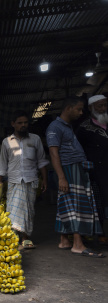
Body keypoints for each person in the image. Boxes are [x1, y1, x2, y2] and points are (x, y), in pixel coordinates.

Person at [45, 96, 104, 258]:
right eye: (78, 109)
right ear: (68, 108)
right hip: (68, 169)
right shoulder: (55, 127)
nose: (81, 112)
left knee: (66, 203)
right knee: (75, 206)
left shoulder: (67, 127)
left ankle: (64, 240)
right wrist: (62, 177)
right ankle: (78, 244)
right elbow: (53, 152)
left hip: (75, 168)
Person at [0, 112, 49, 250]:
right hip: (14, 181)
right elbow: (3, 163)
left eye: (25, 122)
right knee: (12, 210)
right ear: (13, 124)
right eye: (20, 122)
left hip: (31, 180)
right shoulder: (7, 141)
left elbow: (42, 161)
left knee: (28, 210)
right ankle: (13, 237)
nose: (23, 125)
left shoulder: (35, 139)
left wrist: (45, 179)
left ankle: (25, 238)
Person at [76, 95, 108, 244]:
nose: (103, 109)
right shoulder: (84, 128)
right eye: (99, 106)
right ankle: (100, 233)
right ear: (91, 108)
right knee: (99, 202)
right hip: (96, 171)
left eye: (104, 105)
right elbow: (79, 150)